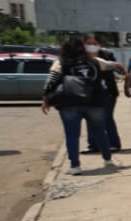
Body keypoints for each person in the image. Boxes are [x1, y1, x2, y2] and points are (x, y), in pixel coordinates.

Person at [41, 36, 114, 175]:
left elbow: (51, 80)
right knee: (100, 132)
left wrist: (46, 99)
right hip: (95, 102)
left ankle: (75, 166)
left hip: (69, 104)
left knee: (72, 135)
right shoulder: (94, 61)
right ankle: (107, 159)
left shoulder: (61, 63)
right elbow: (112, 66)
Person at [82, 34, 123, 154]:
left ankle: (113, 144)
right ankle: (93, 145)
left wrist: (114, 66)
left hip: (107, 92)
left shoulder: (107, 55)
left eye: (94, 44)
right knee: (90, 118)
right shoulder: (80, 57)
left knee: (106, 117)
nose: (92, 46)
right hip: (88, 93)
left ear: (100, 45)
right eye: (89, 44)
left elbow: (119, 70)